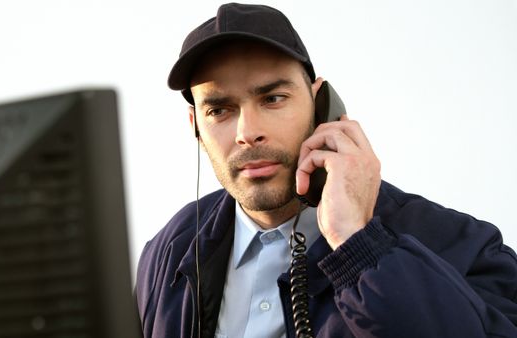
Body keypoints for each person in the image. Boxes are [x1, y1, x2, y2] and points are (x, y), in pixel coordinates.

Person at [135, 3, 517, 338]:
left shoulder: (462, 243)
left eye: (273, 98)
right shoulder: (168, 249)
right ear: (195, 126)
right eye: (219, 110)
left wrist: (359, 244)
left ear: (321, 105)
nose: (247, 133)